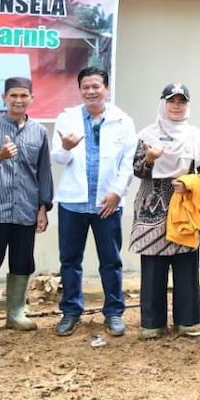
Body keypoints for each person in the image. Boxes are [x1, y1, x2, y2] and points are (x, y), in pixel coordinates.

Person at [0, 77, 54, 342]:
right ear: (4, 97)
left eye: (24, 96)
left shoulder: (39, 131)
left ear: (32, 99)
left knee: (22, 261)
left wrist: (43, 207)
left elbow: (44, 172)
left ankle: (15, 313)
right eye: (13, 95)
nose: (18, 100)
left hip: (25, 209)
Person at [51, 67, 137, 338]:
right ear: (80, 90)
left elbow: (128, 162)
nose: (91, 91)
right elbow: (57, 158)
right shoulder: (67, 119)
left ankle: (113, 312)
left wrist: (117, 192)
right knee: (70, 260)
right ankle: (71, 312)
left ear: (106, 89)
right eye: (85, 86)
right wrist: (65, 147)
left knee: (110, 261)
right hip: (73, 203)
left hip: (107, 203)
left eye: (96, 86)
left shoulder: (123, 120)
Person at [129, 83, 200, 339]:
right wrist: (151, 158)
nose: (176, 106)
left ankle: (187, 321)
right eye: (171, 101)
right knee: (153, 265)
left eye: (181, 101)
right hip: (153, 205)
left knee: (186, 264)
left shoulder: (197, 136)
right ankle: (152, 323)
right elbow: (137, 170)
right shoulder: (147, 134)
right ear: (162, 103)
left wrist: (190, 182)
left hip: (185, 202)